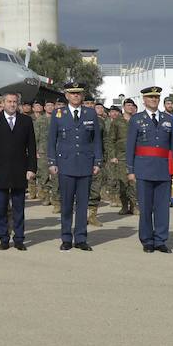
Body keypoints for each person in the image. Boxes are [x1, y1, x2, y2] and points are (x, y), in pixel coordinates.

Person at [48, 82, 103, 251]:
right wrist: (52, 162)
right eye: (72, 93)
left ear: (83, 95)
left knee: (82, 204)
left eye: (78, 93)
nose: (76, 96)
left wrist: (97, 161)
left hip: (85, 163)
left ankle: (80, 238)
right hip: (66, 163)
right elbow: (52, 140)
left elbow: (96, 140)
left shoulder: (90, 113)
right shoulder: (58, 114)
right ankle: (66, 237)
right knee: (66, 204)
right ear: (66, 95)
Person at [0, 91, 37, 250]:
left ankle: (19, 238)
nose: (12, 104)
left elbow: (31, 146)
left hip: (20, 170)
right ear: (3, 103)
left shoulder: (26, 121)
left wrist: (31, 168)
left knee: (19, 208)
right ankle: (3, 238)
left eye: (14, 102)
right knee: (1, 208)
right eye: (9, 101)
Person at [127, 86, 173, 253]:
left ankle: (160, 240)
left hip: (163, 168)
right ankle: (147, 240)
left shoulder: (168, 119)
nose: (154, 100)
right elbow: (130, 146)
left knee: (162, 208)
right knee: (146, 207)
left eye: (156, 97)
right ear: (144, 100)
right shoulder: (136, 119)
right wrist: (130, 170)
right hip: (143, 168)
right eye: (150, 97)